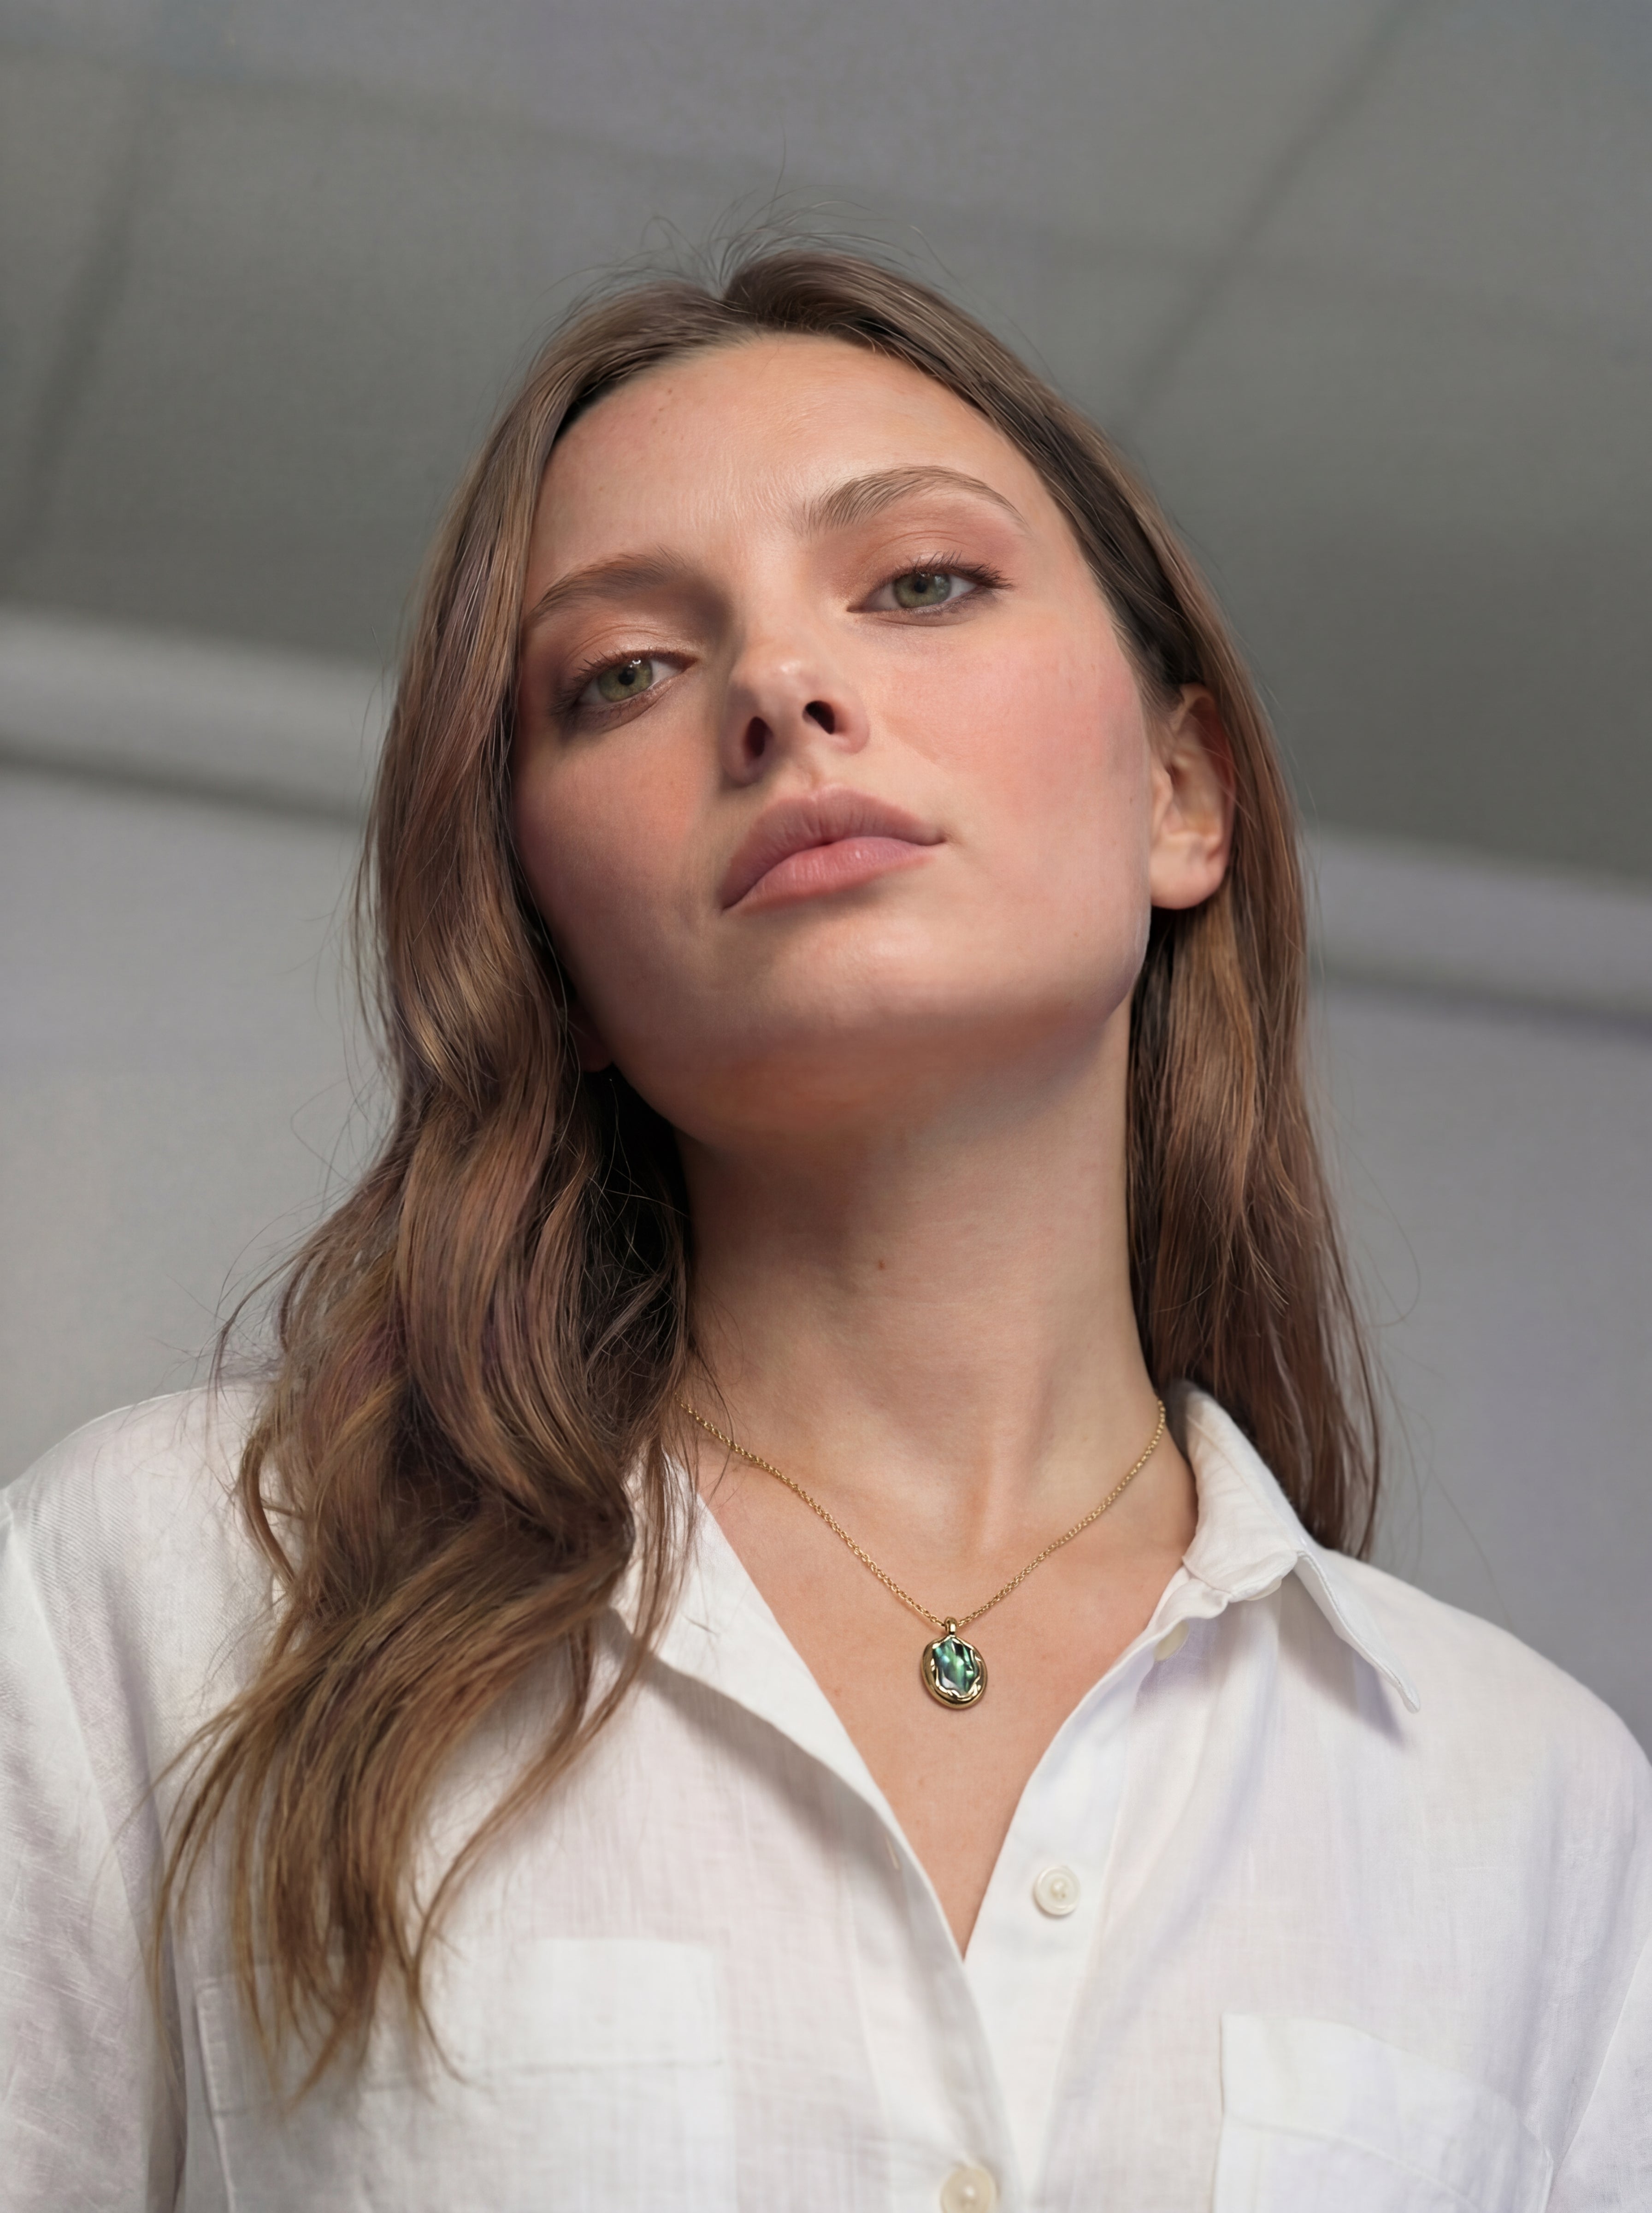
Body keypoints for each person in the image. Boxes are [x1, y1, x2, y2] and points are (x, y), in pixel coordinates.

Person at [1, 248, 1646, 2213]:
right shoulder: (176, 1590)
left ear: (1180, 797)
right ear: (547, 937)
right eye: (623, 674)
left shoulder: (1535, 1805)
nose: (780, 688)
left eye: (919, 583)